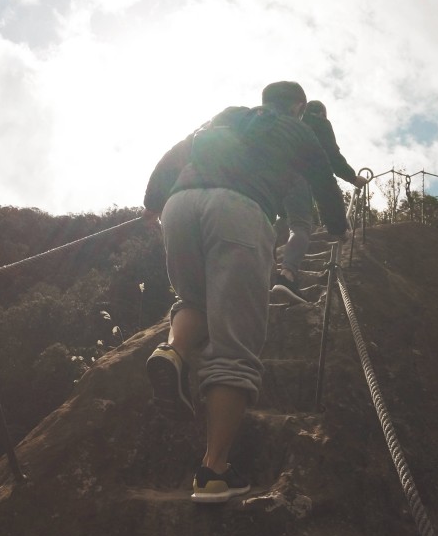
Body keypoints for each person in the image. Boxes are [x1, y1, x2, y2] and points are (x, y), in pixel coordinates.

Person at [141, 81, 347, 503]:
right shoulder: (299, 130)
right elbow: (324, 181)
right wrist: (340, 229)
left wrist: (152, 201)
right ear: (298, 106)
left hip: (180, 205)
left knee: (195, 300)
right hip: (240, 210)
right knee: (235, 346)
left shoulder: (231, 114)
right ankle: (214, 471)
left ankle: (174, 350)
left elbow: (178, 150)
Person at [273, 100, 368, 298]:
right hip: (297, 177)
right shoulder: (319, 124)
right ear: (321, 113)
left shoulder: (277, 122)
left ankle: (265, 271)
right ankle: (287, 275)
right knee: (300, 225)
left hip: (267, 177)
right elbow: (331, 157)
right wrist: (353, 178)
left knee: (276, 220)